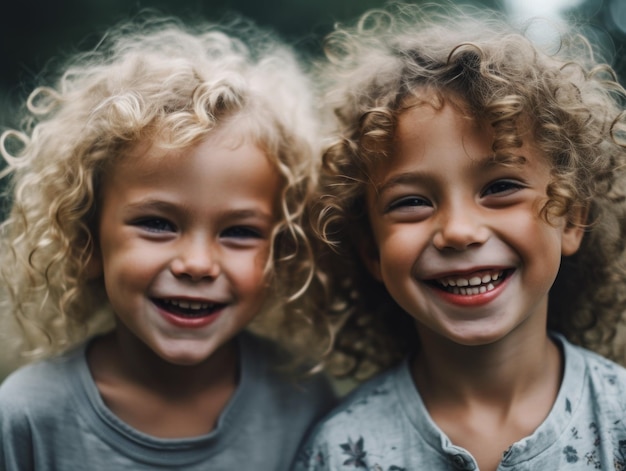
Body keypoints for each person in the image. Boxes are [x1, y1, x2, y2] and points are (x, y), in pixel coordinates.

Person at [292, 3, 626, 470]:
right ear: (371, 249)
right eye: (411, 201)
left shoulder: (618, 420)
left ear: (570, 219)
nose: (458, 231)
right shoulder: (343, 449)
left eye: (500, 188)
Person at [0, 13, 336, 470]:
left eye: (239, 232)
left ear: (281, 252)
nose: (197, 263)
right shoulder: (27, 416)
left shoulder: (299, 398)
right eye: (158, 224)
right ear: (87, 241)